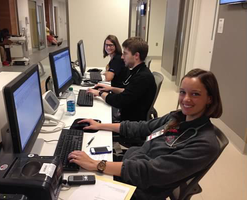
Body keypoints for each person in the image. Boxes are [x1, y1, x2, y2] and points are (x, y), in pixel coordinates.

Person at [68, 68, 223, 199]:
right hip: (129, 165)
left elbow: (149, 172)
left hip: (139, 189)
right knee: (72, 167)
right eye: (183, 92)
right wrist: (101, 125)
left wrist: (97, 164)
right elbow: (143, 127)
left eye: (195, 94)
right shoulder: (177, 117)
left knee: (71, 190)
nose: (186, 99)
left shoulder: (205, 143)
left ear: (209, 98)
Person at [88, 37, 157, 122]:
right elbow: (128, 91)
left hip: (130, 123)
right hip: (127, 114)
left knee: (93, 115)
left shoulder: (143, 77)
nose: (122, 57)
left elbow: (120, 101)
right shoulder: (138, 70)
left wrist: (100, 93)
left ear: (136, 56)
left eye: (125, 54)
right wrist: (110, 88)